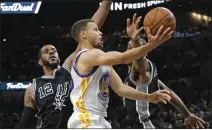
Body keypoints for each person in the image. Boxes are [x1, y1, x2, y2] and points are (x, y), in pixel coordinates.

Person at [15, 0, 112, 128]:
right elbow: (24, 122)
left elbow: (88, 33)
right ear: (39, 61)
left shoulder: (66, 71)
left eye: (54, 51)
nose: (51, 53)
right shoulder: (32, 88)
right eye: (46, 51)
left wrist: (106, 4)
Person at [67, 13, 173, 128]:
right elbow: (123, 58)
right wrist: (151, 44)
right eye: (95, 30)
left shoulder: (101, 61)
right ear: (83, 34)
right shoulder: (86, 55)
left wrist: (148, 97)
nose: (100, 32)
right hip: (85, 119)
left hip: (98, 119)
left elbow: (120, 88)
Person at [123, 14, 206, 129]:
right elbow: (169, 93)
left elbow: (139, 58)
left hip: (148, 125)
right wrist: (187, 114)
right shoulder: (143, 73)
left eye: (132, 49)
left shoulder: (141, 71)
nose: (128, 51)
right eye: (128, 48)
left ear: (144, 53)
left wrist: (134, 39)